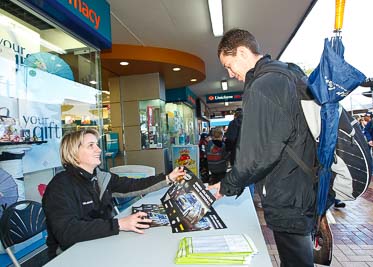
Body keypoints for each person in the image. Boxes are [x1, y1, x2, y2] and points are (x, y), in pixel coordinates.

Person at [208, 29, 317, 266]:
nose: (230, 73)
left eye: (229, 65)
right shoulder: (286, 74)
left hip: (287, 193)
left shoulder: (263, 85)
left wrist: (225, 186)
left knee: (296, 260)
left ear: (243, 52)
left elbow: (257, 155)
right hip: (300, 187)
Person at [42, 129, 185, 259]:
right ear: (73, 152)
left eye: (97, 144)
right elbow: (67, 232)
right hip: (71, 254)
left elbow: (133, 185)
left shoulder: (101, 177)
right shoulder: (60, 186)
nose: (98, 149)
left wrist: (168, 178)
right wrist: (119, 224)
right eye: (90, 145)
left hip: (102, 242)